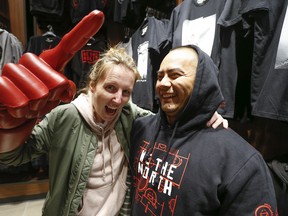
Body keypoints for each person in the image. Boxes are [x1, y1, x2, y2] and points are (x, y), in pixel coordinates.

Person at [0, 46, 228, 216]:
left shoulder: (129, 115)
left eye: (126, 92)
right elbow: (16, 156)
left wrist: (203, 112)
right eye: (110, 88)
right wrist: (10, 128)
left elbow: (165, 121)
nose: (118, 100)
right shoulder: (65, 116)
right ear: (92, 85)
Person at [130, 45, 278, 215]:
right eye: (159, 76)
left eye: (175, 75)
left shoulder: (241, 160)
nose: (162, 84)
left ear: (202, 82)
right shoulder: (141, 128)